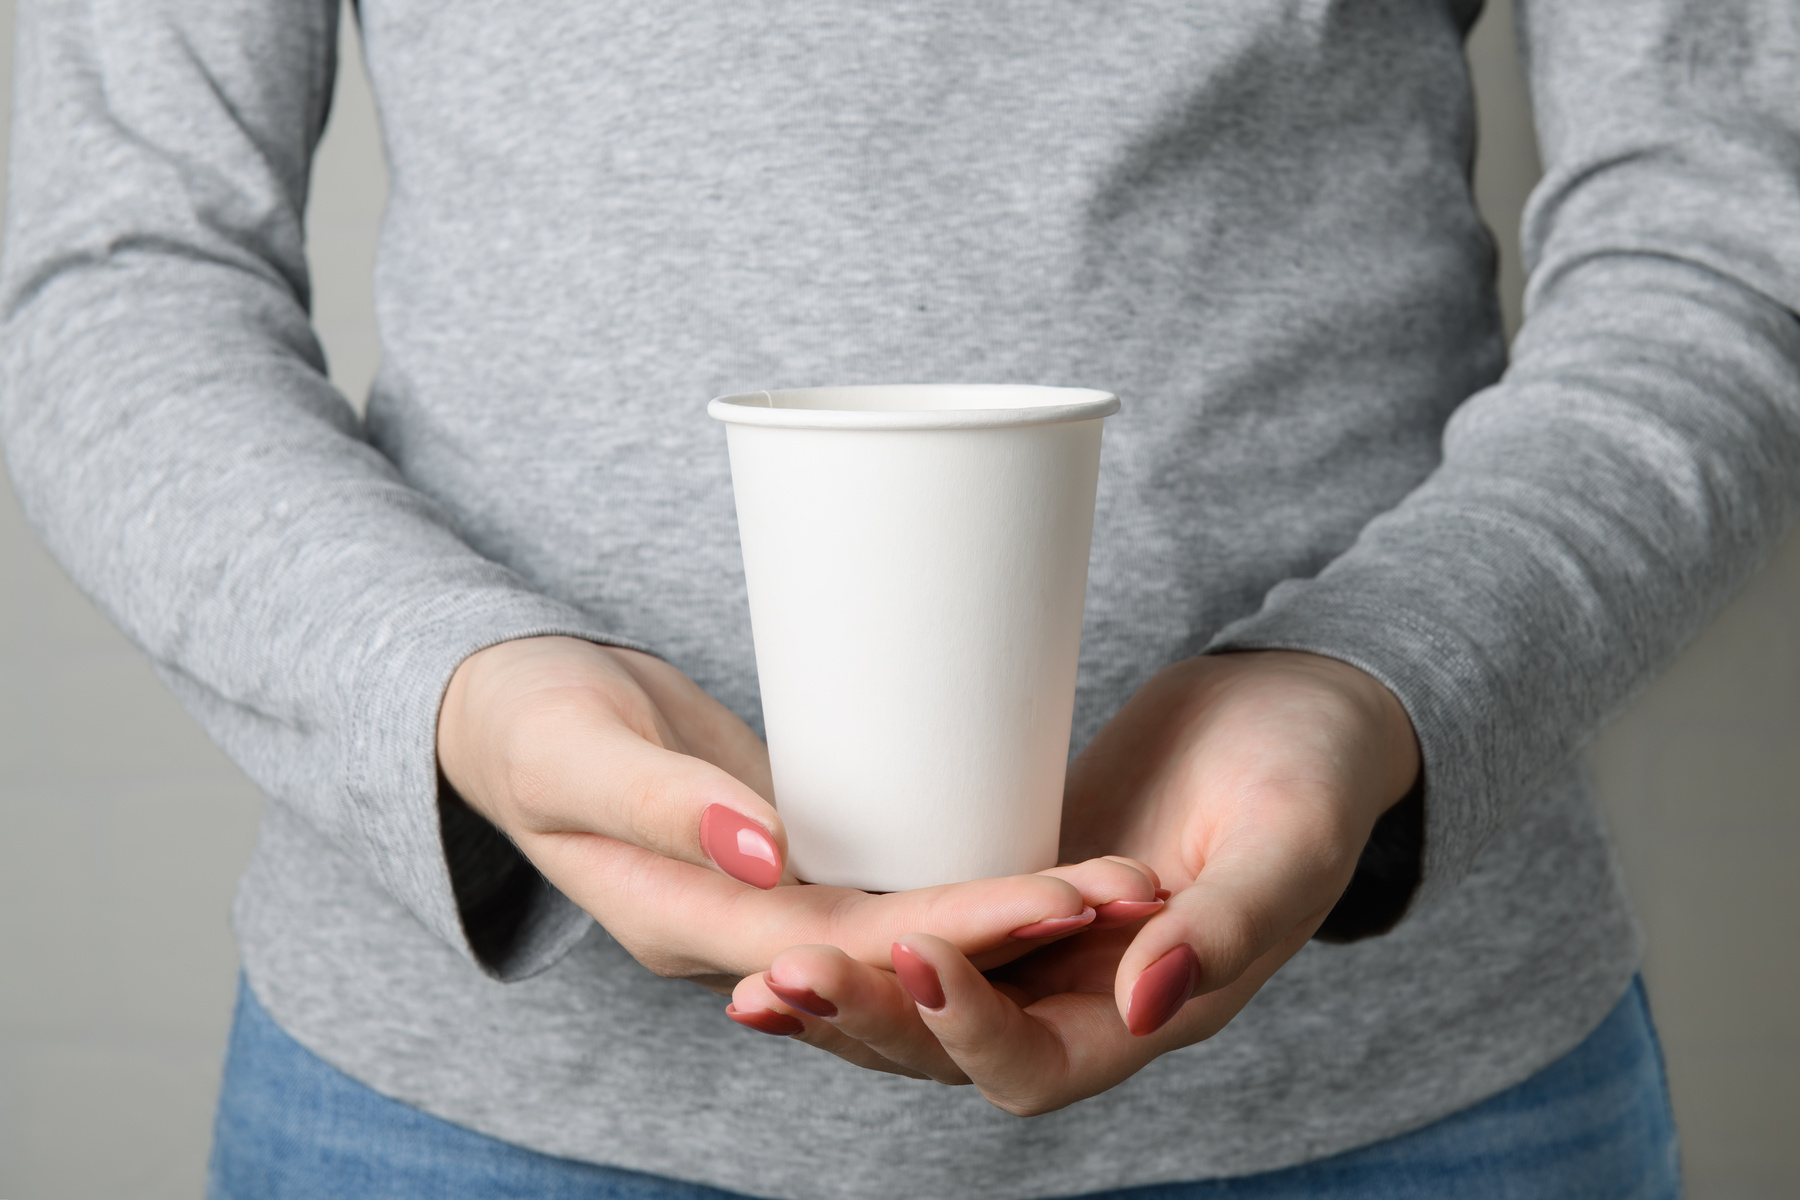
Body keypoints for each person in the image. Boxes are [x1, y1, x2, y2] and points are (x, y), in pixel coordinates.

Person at [3, 0, 1795, 1195]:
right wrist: (464, 692)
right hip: (468, 1112)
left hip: (1404, 1100)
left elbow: (1727, 237)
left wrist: (1371, 682)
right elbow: (107, 266)